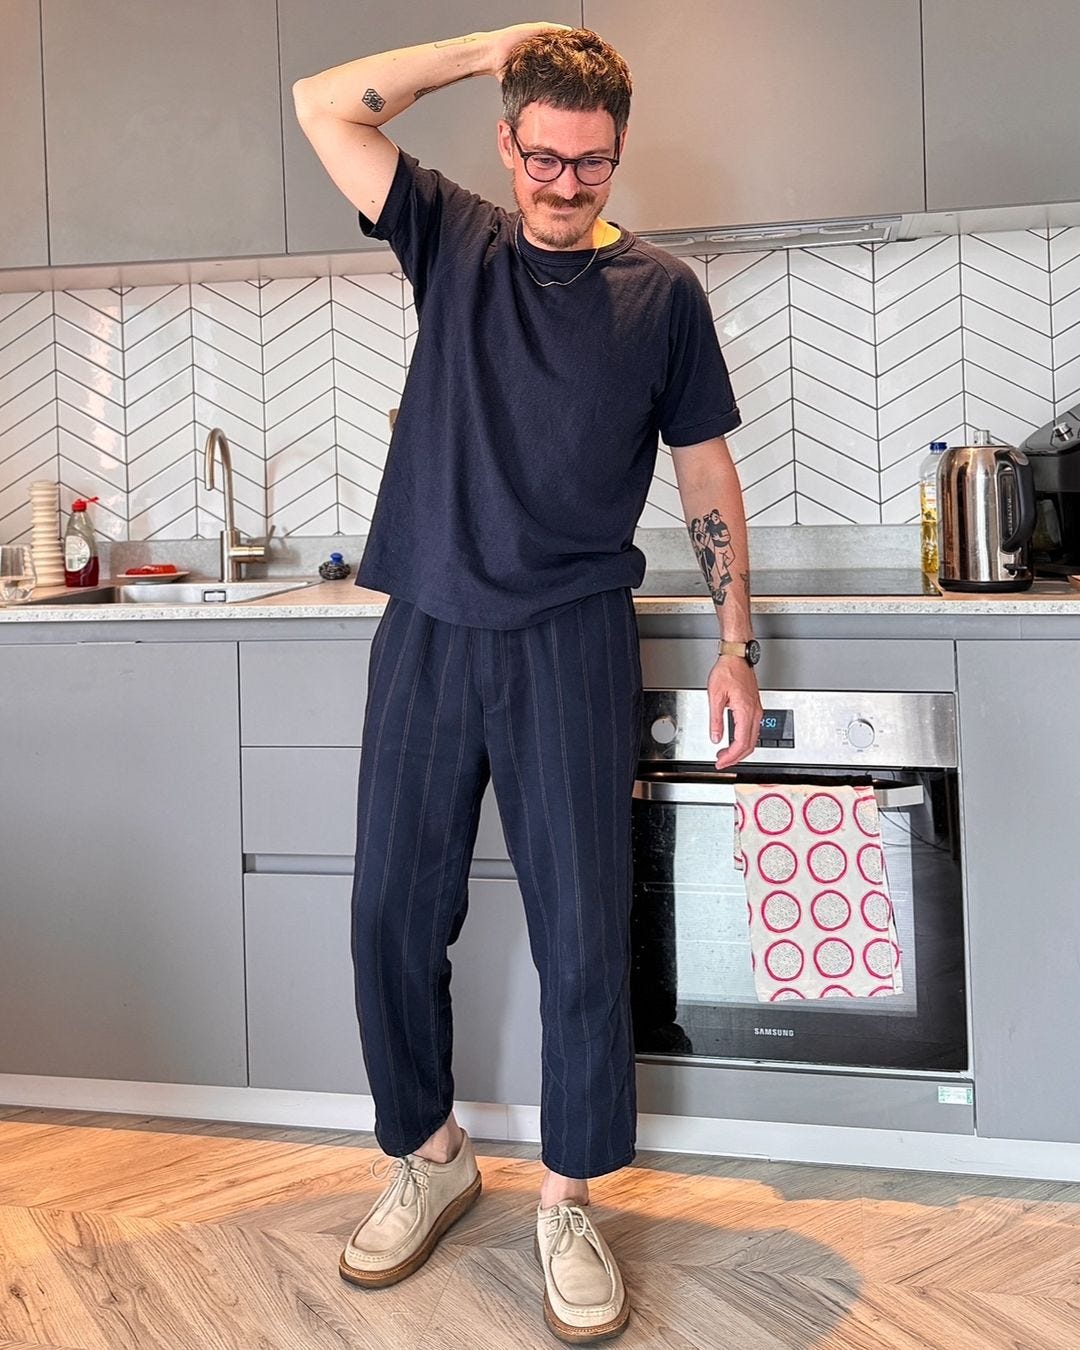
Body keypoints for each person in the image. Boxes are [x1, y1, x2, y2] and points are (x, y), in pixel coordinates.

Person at [293, 23, 762, 1343]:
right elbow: (323, 103)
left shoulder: (662, 293)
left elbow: (707, 473)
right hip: (431, 624)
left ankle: (568, 1198)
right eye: (545, 158)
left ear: (621, 156)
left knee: (580, 935)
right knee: (390, 909)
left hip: (570, 636)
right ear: (508, 143)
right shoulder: (452, 235)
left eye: (593, 165)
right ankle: (430, 1152)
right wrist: (492, 44)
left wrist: (738, 642)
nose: (565, 186)